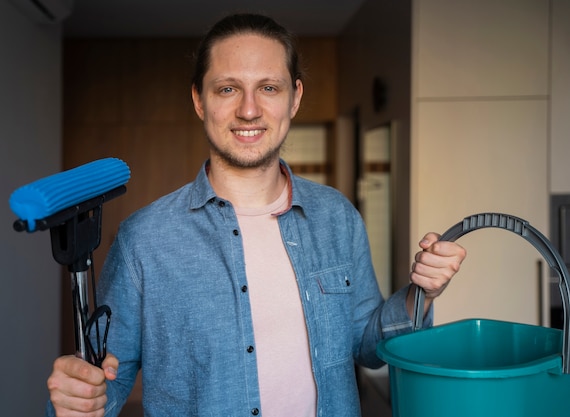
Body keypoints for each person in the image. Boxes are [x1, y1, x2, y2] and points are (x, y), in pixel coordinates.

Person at [46, 13, 466, 417]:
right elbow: (109, 384)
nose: (249, 110)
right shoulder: (144, 238)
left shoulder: (338, 217)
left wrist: (420, 294)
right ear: (199, 100)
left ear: (294, 98)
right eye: (228, 89)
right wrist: (78, 400)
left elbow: (369, 348)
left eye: (268, 88)